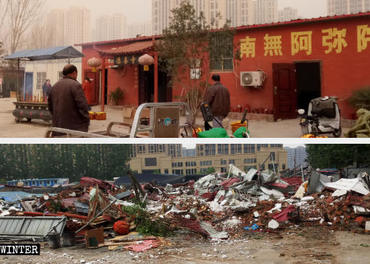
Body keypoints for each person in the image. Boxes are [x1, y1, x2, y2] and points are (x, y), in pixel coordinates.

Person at [48, 64, 90, 133]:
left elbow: (50, 107)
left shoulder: (55, 86)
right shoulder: (76, 85)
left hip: (57, 127)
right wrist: (86, 122)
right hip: (73, 129)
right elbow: (83, 106)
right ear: (74, 73)